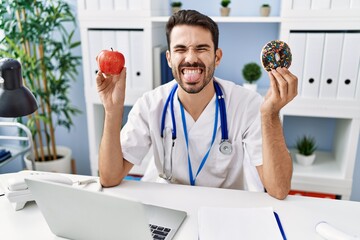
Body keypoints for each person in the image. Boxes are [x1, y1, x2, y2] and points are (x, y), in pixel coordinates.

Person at [96, 10, 298, 200]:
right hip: (168, 205)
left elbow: (278, 189)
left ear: (217, 57)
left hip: (225, 211)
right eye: (180, 49)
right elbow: (109, 178)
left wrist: (271, 114)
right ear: (169, 58)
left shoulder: (247, 105)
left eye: (201, 49)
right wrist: (112, 111)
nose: (191, 58)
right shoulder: (150, 104)